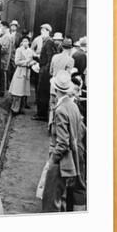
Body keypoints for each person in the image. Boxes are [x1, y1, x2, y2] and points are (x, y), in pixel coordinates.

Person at [42, 70, 86, 212]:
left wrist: (52, 160)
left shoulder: (60, 109)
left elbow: (62, 142)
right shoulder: (73, 106)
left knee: (51, 199)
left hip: (61, 162)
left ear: (55, 89)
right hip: (72, 158)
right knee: (65, 196)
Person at [34, 23, 57, 121]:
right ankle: (41, 113)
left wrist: (45, 71)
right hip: (43, 69)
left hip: (44, 71)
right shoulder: (47, 41)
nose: (41, 32)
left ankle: (42, 114)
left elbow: (50, 58)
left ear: (48, 31)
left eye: (43, 31)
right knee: (41, 92)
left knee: (42, 92)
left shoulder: (48, 42)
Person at [9, 37, 36, 114]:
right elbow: (17, 62)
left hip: (27, 72)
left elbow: (33, 58)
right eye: (24, 41)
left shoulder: (30, 51)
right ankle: (14, 108)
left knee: (24, 92)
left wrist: (32, 62)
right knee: (17, 91)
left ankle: (21, 108)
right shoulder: (19, 50)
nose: (25, 43)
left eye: (27, 41)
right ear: (21, 42)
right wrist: (27, 62)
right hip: (20, 71)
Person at [0, 21, 13, 93]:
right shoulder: (4, 35)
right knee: (2, 74)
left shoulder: (7, 36)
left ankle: (2, 90)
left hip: (3, 58)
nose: (0, 28)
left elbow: (4, 48)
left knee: (3, 74)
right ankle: (2, 89)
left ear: (5, 27)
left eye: (1, 27)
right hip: (2, 58)